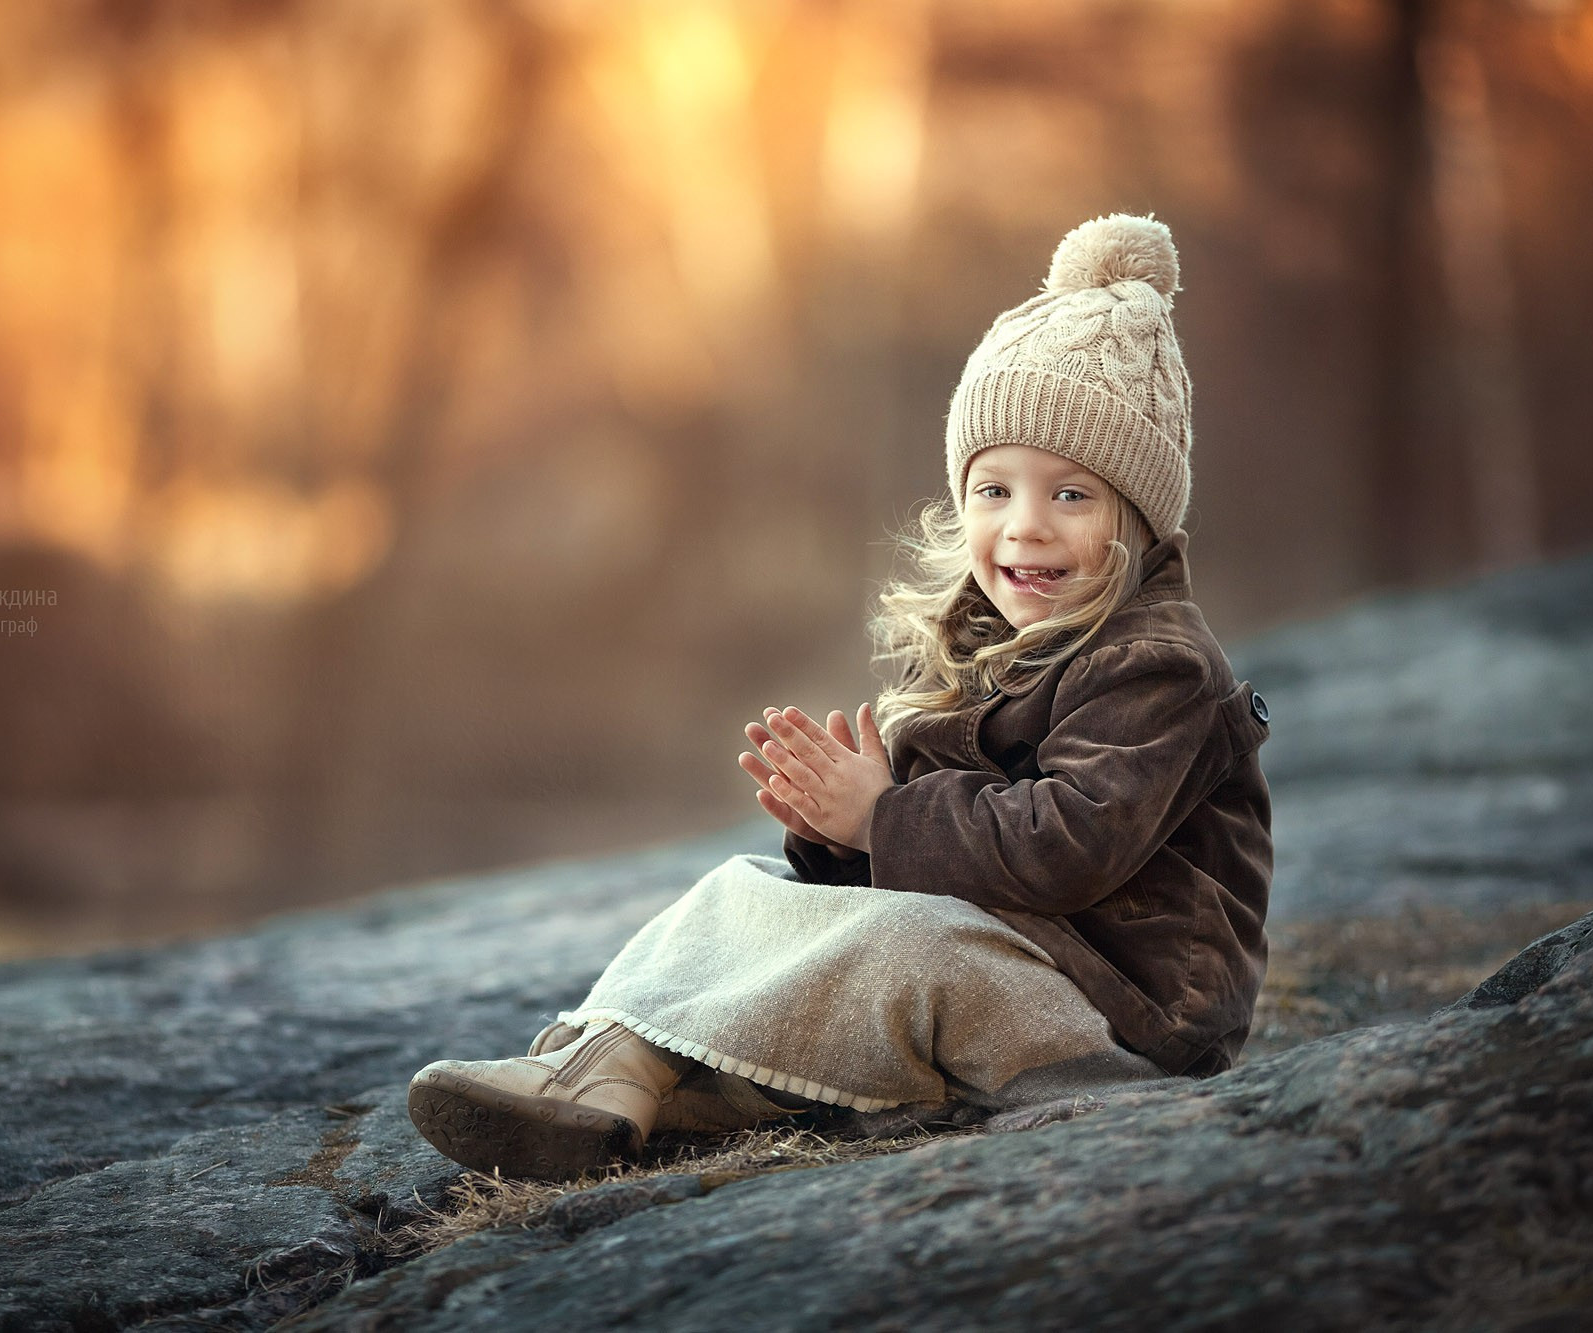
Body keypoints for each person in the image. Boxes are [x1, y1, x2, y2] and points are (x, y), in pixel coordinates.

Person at [406, 213, 1272, 1181]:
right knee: (739, 893)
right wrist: (831, 835)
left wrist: (883, 819)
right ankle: (599, 1068)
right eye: (993, 491)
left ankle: (647, 1076)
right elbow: (931, 858)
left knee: (906, 947)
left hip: (1127, 1029)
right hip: (1016, 973)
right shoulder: (992, 642)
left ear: (1137, 517)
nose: (1023, 528)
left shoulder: (1157, 665)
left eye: (1068, 496)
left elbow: (1062, 847)